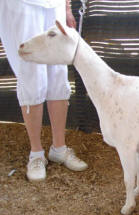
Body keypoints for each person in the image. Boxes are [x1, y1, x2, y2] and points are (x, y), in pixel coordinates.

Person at [0, 0, 88, 181]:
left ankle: (59, 148)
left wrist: (66, 7)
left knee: (58, 71)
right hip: (21, 5)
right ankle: (36, 154)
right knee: (30, 70)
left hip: (54, 4)